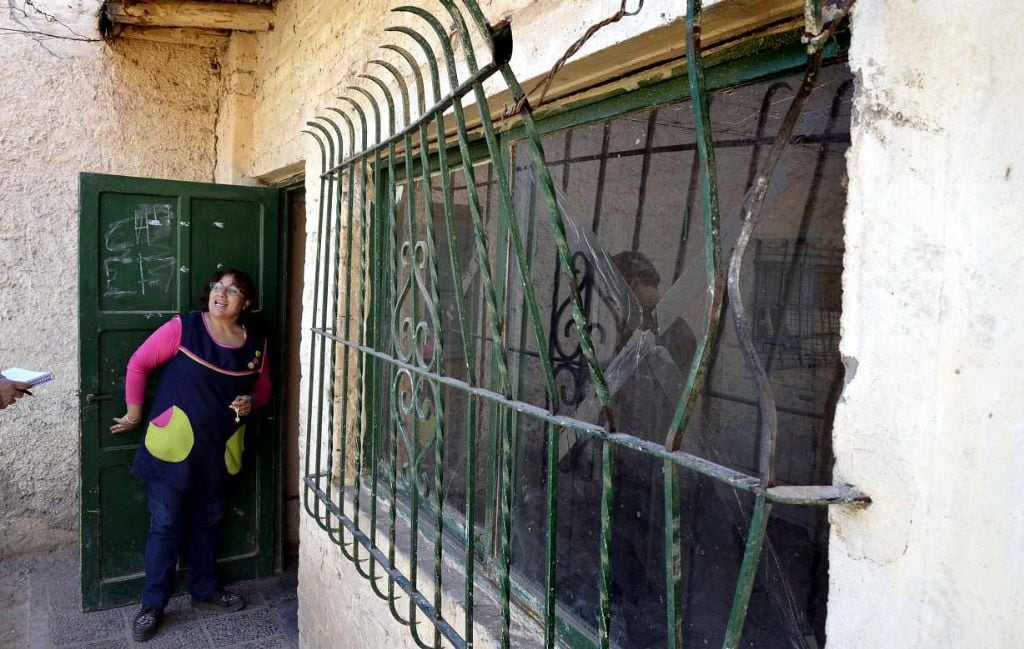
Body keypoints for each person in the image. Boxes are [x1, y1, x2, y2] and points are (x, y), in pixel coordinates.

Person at [111, 268, 271, 642]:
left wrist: (252, 401)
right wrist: (135, 413)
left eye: (233, 291)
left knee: (209, 522)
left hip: (220, 447)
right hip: (173, 448)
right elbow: (139, 362)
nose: (222, 294)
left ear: (244, 303)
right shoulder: (184, 328)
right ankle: (152, 606)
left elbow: (263, 390)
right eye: (217, 286)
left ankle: (206, 591)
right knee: (166, 526)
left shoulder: (256, 342)